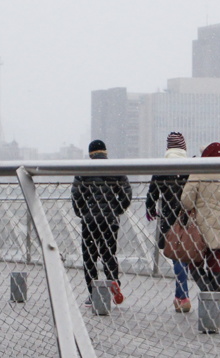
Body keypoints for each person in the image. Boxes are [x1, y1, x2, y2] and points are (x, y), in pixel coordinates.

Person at [72, 140, 132, 306]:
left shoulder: (84, 171)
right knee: (109, 253)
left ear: (90, 154)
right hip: (110, 219)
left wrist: (83, 213)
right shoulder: (115, 168)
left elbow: (76, 195)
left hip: (90, 219)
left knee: (89, 256)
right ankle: (113, 280)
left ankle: (93, 293)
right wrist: (116, 209)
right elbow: (127, 193)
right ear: (105, 152)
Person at [179, 142, 220, 304]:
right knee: (216, 264)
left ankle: (208, 291)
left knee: (195, 264)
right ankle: (218, 293)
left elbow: (186, 201)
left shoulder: (199, 173)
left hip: (201, 227)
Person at [145, 131, 192, 313]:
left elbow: (152, 193)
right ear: (184, 148)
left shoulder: (163, 167)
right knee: (184, 255)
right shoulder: (190, 166)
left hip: (168, 218)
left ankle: (183, 295)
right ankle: (180, 296)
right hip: (187, 218)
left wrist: (150, 208)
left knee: (175, 257)